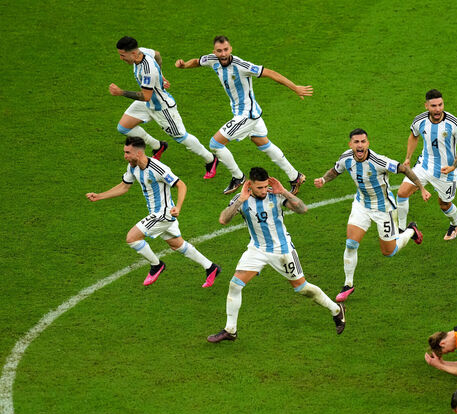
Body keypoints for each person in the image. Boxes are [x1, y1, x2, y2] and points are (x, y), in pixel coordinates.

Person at [207, 167, 345, 342]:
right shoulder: (241, 198)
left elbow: (303, 209)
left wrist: (285, 192)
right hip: (257, 249)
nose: (264, 191)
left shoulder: (276, 195)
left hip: (282, 250)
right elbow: (223, 220)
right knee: (235, 285)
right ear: (250, 185)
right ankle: (230, 330)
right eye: (260, 188)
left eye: (266, 187)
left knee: (302, 289)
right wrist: (240, 200)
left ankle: (336, 310)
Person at [175, 35, 311, 195]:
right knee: (263, 143)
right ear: (215, 52)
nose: (223, 54)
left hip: (247, 115)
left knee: (215, 144)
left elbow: (270, 73)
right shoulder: (212, 59)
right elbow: (197, 62)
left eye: (226, 50)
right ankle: (295, 176)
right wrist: (184, 65)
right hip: (249, 112)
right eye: (219, 51)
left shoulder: (241, 65)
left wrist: (294, 87)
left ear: (230, 49)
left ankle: (238, 177)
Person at [86, 137, 220, 287]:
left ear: (138, 153)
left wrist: (179, 207)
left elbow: (181, 185)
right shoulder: (132, 167)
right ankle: (211, 267)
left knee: (132, 238)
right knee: (176, 244)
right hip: (156, 213)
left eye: (127, 152)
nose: (125, 156)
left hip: (164, 213)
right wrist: (99, 196)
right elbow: (124, 186)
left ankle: (156, 265)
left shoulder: (158, 168)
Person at [314, 128, 431, 302]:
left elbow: (404, 169)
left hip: (383, 209)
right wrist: (323, 179)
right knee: (351, 243)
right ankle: (348, 284)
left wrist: (421, 188)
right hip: (361, 205)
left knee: (389, 252)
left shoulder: (379, 161)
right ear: (350, 144)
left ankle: (411, 230)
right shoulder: (346, 157)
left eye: (363, 142)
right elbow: (335, 170)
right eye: (356, 142)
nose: (360, 145)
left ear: (368, 143)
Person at [110, 36, 218, 179]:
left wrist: (121, 92)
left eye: (123, 55)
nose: (121, 58)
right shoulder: (142, 51)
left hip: (161, 107)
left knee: (181, 137)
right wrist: (161, 75)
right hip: (147, 103)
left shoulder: (147, 70)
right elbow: (158, 54)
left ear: (133, 54)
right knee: (124, 127)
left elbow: (146, 96)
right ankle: (158, 146)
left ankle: (211, 159)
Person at [399, 89, 457, 240]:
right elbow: (413, 136)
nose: (437, 109)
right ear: (426, 106)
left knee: (444, 204)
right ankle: (401, 230)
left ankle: (456, 224)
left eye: (440, 105)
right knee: (402, 193)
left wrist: (453, 167)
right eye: (433, 106)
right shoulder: (419, 120)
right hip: (424, 165)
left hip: (446, 171)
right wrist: (408, 158)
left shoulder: (453, 123)